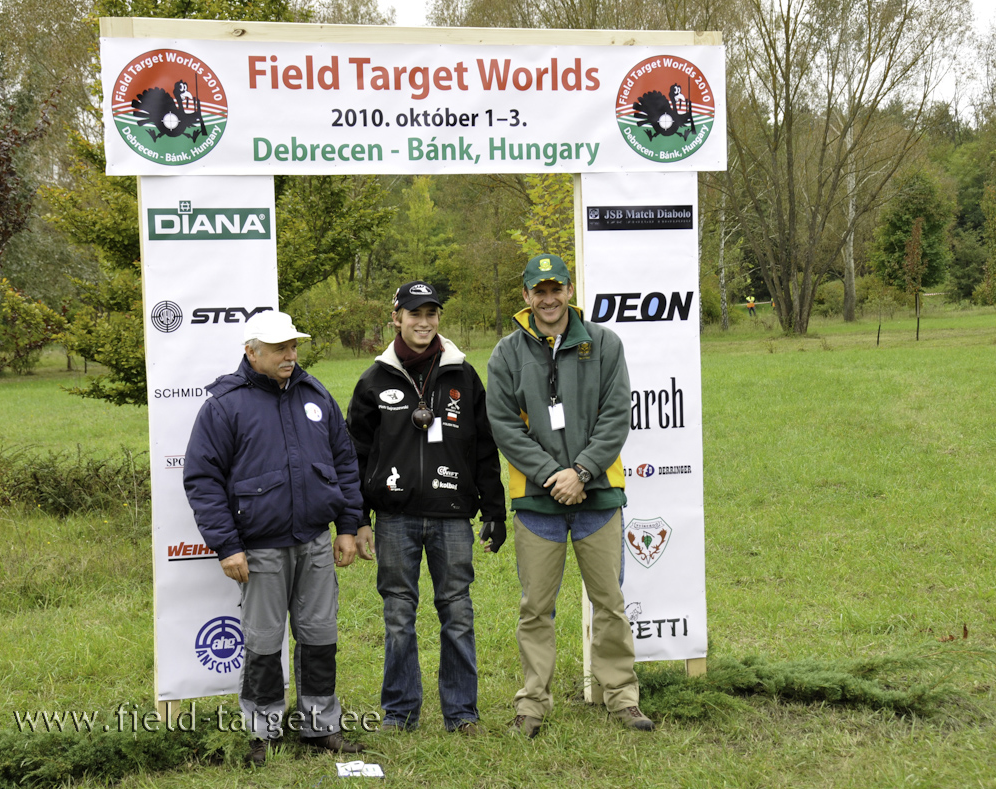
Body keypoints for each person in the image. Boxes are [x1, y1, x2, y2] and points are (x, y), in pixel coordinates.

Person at [183, 310, 370, 766]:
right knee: (264, 644)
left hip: (314, 541)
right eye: (279, 348)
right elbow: (203, 479)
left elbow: (344, 463)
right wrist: (227, 546)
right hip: (260, 547)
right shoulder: (224, 405)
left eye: (293, 346)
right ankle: (261, 733)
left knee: (320, 637)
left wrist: (348, 527)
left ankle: (319, 727)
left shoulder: (315, 394)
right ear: (252, 352)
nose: (290, 354)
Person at [485, 254, 654, 738]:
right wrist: (552, 476)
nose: (548, 298)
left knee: (610, 603)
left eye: (555, 288)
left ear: (569, 291)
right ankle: (532, 704)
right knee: (536, 609)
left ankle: (622, 697)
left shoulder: (604, 343)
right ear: (526, 296)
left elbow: (616, 415)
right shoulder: (506, 353)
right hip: (536, 501)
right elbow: (504, 425)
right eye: (539, 290)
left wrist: (580, 472)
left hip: (598, 496)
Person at [346, 281, 506, 735]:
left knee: (457, 613)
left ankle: (462, 713)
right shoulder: (374, 379)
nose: (423, 322)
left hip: (452, 515)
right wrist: (358, 519)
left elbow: (484, 447)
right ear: (396, 317)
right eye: (414, 313)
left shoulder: (463, 375)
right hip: (394, 517)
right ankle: (399, 713)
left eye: (431, 313)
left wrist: (494, 511)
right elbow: (355, 455)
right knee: (399, 617)